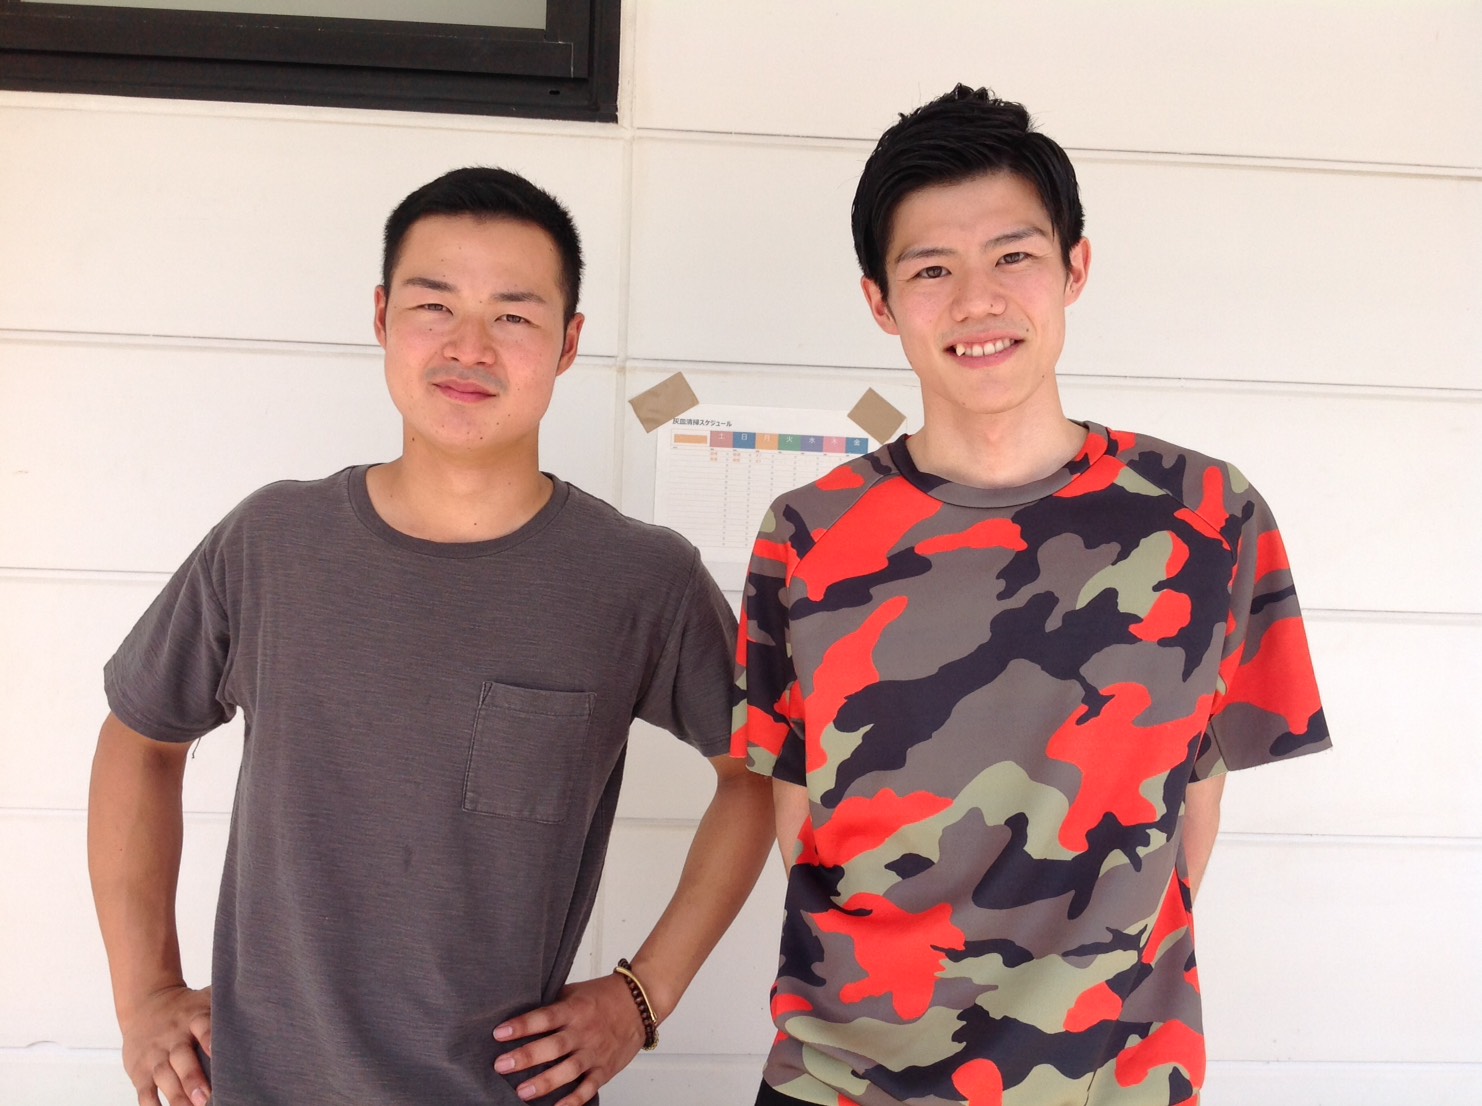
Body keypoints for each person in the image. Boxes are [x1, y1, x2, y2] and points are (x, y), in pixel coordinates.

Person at [88, 166, 774, 1106]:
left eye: (514, 315)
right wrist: (145, 997)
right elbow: (139, 740)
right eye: (434, 305)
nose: (469, 347)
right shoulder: (273, 543)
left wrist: (643, 996)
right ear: (382, 316)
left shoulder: (638, 579)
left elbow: (759, 772)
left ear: (569, 343)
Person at [734, 86, 1330, 1106]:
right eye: (932, 269)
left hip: (1114, 1080)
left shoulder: (1210, 515)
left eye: (1013, 256)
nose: (977, 301)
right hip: (845, 1082)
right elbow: (799, 815)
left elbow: (1195, 801)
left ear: (1074, 268)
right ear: (880, 300)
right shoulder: (806, 533)